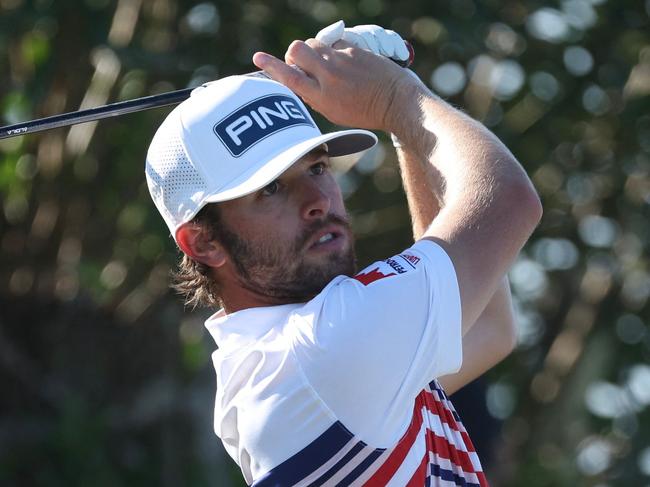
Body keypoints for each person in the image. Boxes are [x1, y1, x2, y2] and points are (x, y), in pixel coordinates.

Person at [145, 22, 541, 487]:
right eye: (271, 188)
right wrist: (397, 99)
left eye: (317, 167)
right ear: (203, 242)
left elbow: (488, 330)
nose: (318, 199)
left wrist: (405, 128)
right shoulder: (324, 347)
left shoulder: (279, 361)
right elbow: (509, 202)